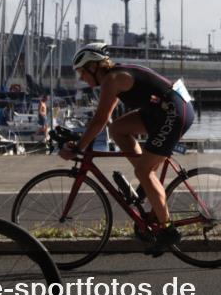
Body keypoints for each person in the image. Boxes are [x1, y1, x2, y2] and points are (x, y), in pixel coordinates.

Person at [60, 43, 194, 256]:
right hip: (161, 110)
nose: (81, 78)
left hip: (174, 113)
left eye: (82, 72)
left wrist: (78, 147)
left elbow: (99, 119)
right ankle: (147, 182)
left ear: (94, 67)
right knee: (118, 129)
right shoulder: (113, 78)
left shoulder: (112, 79)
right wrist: (83, 139)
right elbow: (105, 121)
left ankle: (168, 231)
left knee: (143, 171)